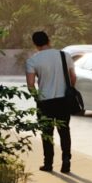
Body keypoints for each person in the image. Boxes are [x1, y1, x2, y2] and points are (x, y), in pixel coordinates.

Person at [24, 30, 77, 174]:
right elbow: (73, 77)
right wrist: (68, 89)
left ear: (35, 44)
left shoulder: (33, 60)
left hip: (44, 101)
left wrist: (37, 98)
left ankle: (48, 163)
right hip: (63, 100)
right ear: (49, 40)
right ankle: (66, 160)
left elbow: (30, 85)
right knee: (64, 131)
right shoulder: (64, 55)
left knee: (47, 133)